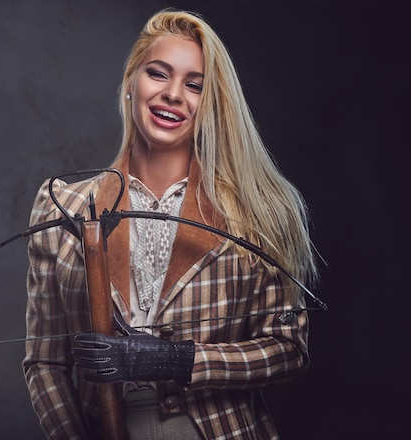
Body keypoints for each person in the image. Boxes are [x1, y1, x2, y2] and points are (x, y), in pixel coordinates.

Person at [23, 8, 319, 440]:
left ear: (210, 103)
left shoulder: (258, 210)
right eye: (159, 74)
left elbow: (287, 350)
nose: (174, 94)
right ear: (130, 83)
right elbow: (44, 363)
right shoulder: (60, 209)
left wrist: (176, 361)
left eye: (194, 85)